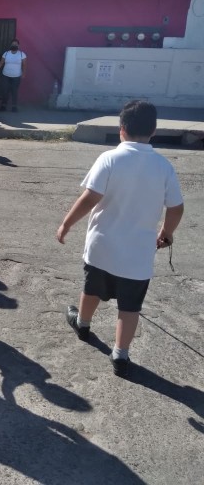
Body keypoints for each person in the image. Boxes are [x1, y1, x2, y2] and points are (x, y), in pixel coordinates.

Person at [56, 100, 184, 377]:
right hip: (137, 256)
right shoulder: (163, 166)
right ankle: (120, 355)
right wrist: (166, 233)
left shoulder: (109, 158)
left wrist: (66, 224)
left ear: (121, 129)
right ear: (154, 130)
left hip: (102, 247)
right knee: (130, 307)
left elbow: (90, 197)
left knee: (91, 290)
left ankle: (83, 323)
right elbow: (176, 207)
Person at [0, 38, 26, 112]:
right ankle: (3, 106)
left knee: (14, 91)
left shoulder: (22, 54)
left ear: (18, 46)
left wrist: (24, 73)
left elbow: (24, 65)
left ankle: (14, 107)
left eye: (15, 44)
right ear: (10, 45)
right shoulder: (6, 53)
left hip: (16, 76)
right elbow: (1, 63)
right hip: (5, 75)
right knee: (5, 91)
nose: (14, 45)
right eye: (13, 44)